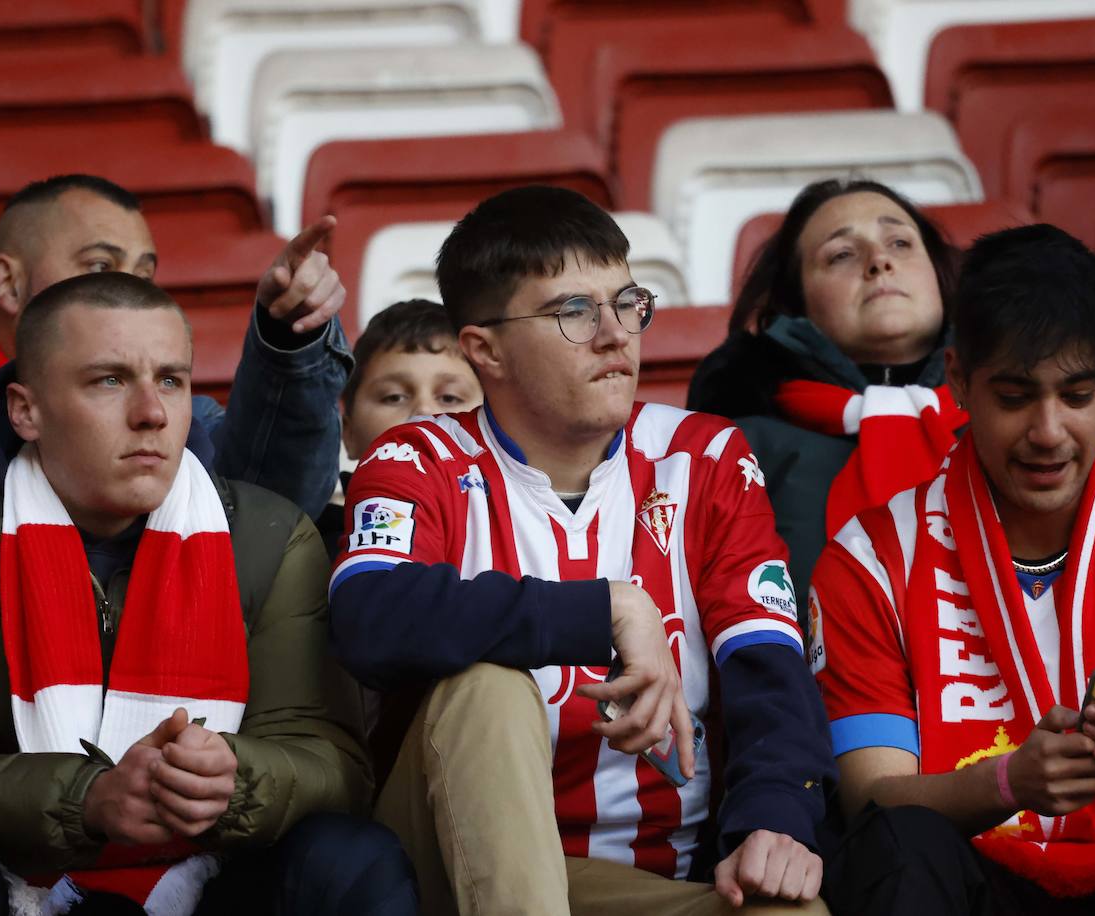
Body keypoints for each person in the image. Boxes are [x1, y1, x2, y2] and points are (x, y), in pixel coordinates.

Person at [329, 185, 833, 915]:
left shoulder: (705, 455)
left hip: (660, 874)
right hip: (450, 866)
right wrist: (604, 610)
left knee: (792, 911)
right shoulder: (420, 457)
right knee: (488, 688)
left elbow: (769, 668)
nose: (615, 334)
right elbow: (367, 615)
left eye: (628, 303)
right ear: (485, 351)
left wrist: (775, 819)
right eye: (573, 311)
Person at [0, 273, 417, 916]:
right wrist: (85, 799)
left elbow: (337, 768)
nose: (152, 412)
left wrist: (232, 779)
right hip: (13, 879)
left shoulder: (268, 537)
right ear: (25, 410)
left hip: (215, 874)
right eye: (110, 380)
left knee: (349, 857)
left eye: (172, 380)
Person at [809, 225, 1095, 914]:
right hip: (981, 885)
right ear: (958, 382)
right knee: (900, 844)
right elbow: (871, 795)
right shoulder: (872, 558)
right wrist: (1006, 785)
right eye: (1014, 396)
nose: (1047, 431)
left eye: (1076, 393)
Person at [0, 174, 350, 541]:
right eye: (99, 266)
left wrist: (289, 336)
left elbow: (278, 509)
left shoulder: (190, 427)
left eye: (144, 272)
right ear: (8, 284)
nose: (128, 289)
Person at [687, 179, 965, 616]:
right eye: (841, 254)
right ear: (796, 302)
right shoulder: (740, 449)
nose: (879, 262)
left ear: (941, 275)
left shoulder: (1012, 423)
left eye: (899, 242)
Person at [316, 298, 483, 560]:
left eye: (450, 398)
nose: (424, 412)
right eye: (394, 397)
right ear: (348, 433)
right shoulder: (309, 553)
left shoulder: (535, 537)